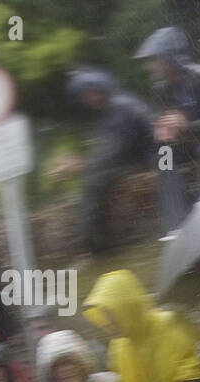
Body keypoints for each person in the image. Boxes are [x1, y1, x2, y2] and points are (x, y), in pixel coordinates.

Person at [134, 26, 200, 238]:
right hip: (191, 140)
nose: (150, 65)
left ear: (169, 57)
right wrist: (163, 130)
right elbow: (161, 120)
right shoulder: (163, 89)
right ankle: (176, 225)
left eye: (154, 59)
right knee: (164, 157)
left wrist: (190, 125)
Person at [67, 68, 157, 258]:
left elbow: (116, 149)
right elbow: (107, 149)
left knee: (94, 182)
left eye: (88, 93)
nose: (86, 99)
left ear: (99, 90)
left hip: (145, 158)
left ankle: (94, 246)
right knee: (93, 180)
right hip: (129, 158)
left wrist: (84, 165)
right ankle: (95, 242)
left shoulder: (121, 108)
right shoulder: (106, 111)